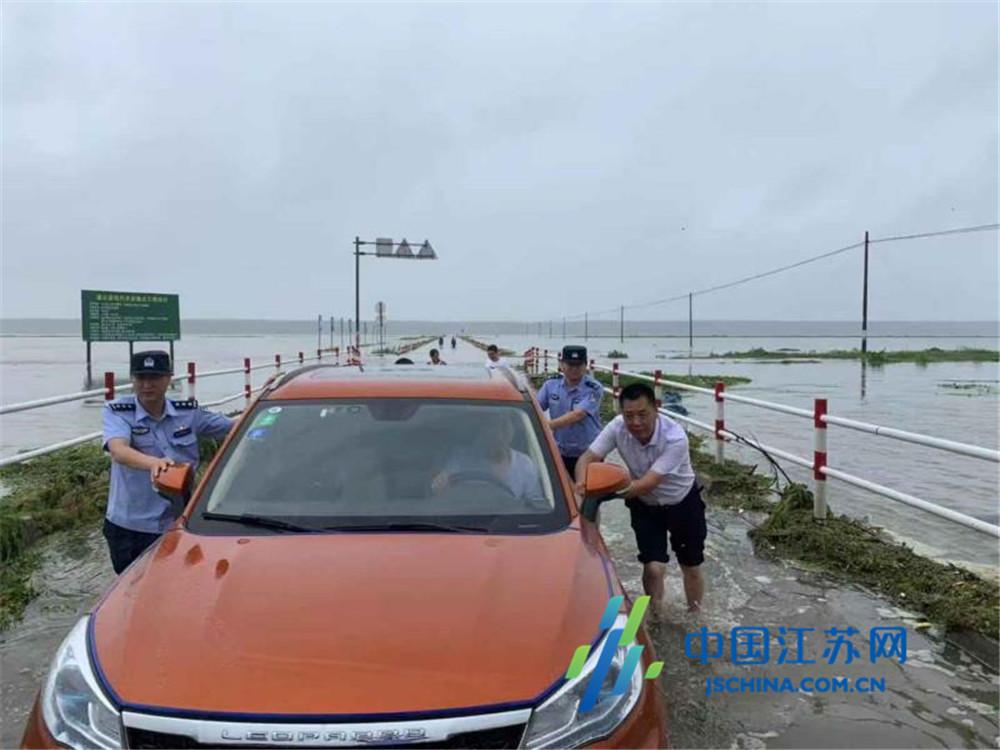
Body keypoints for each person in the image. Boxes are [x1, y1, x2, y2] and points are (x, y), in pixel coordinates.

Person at [574, 382, 706, 614]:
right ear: (621, 413)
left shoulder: (675, 438)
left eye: (642, 415)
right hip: (645, 505)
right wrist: (582, 484)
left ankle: (694, 614)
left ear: (656, 408)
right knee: (653, 567)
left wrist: (607, 492)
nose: (636, 423)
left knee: (691, 565)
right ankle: (656, 615)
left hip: (682, 502)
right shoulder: (617, 427)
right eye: (629, 416)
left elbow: (648, 482)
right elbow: (588, 457)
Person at [102, 350, 235, 574]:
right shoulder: (119, 412)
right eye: (140, 378)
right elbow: (118, 450)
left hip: (178, 524)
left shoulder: (188, 413)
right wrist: (153, 463)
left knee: (180, 583)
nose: (146, 385)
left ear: (168, 379)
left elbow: (235, 426)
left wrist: (270, 396)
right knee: (131, 590)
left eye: (154, 378)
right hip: (130, 526)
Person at [432, 413, 544, 501]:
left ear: (512, 430)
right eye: (493, 425)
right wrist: (439, 484)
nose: (499, 433)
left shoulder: (525, 464)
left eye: (504, 425)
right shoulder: (461, 459)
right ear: (482, 429)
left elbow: (535, 504)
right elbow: (440, 491)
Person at [534, 345, 603, 477]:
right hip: (560, 453)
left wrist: (546, 426)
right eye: (570, 365)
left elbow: (578, 414)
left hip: (588, 453)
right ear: (561, 364)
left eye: (578, 365)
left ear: (585, 365)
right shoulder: (551, 385)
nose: (574, 369)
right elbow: (536, 407)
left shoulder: (594, 388)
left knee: (588, 492)